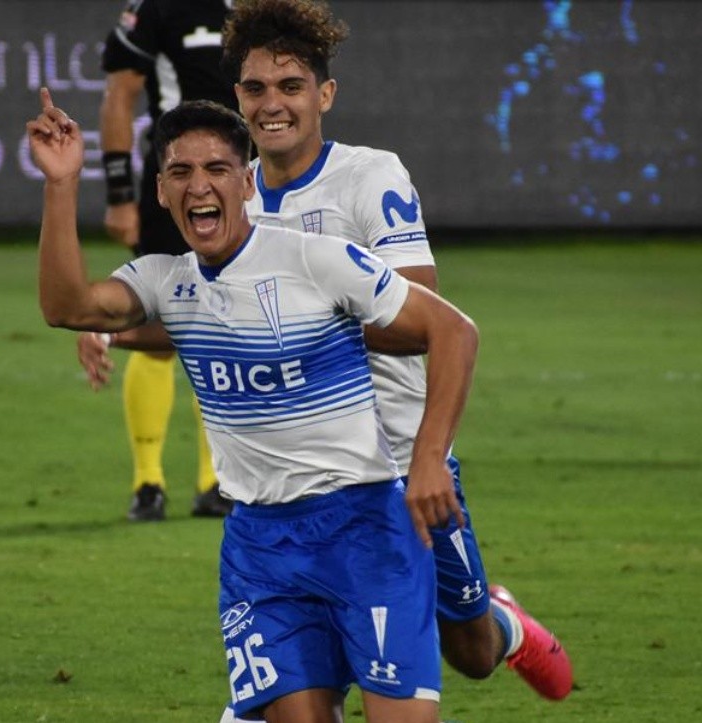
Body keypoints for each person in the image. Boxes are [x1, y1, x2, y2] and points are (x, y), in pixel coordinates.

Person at [85, 0, 575, 712]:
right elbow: (214, 312)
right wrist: (118, 328)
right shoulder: (228, 194)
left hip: (403, 464)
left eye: (290, 87)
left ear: (324, 95)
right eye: (254, 89)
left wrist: (304, 318)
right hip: (299, 490)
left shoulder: (368, 178)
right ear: (236, 98)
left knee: (467, 651)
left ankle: (505, 622)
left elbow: (420, 312)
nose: (271, 105)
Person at [30, 95, 480, 723]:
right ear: (161, 191)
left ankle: (499, 623)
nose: (199, 186)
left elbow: (454, 332)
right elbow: (67, 307)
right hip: (262, 551)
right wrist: (61, 183)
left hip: (367, 531)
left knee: (462, 665)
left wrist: (428, 460)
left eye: (217, 169)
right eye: (181, 173)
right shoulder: (166, 282)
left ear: (246, 183)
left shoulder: (314, 259)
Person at [98, 0, 238, 521]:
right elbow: (121, 95)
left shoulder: (256, 8)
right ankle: (148, 483)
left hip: (244, 186)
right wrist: (119, 194)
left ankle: (217, 481)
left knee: (231, 327)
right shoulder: (155, 7)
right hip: (175, 183)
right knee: (157, 327)